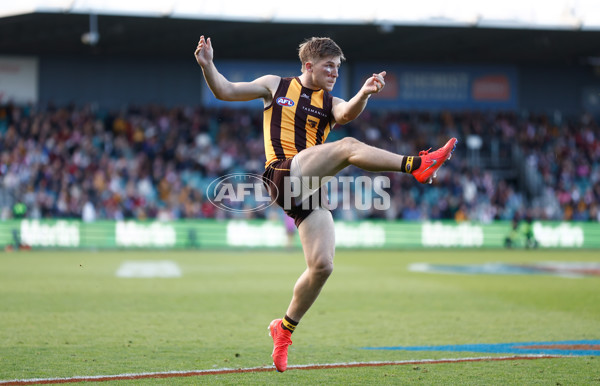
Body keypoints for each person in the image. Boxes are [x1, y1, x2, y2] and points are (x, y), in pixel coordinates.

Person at [194, 35, 457, 372]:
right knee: (347, 147)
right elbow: (225, 91)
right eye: (328, 66)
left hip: (309, 188)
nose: (334, 72)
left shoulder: (330, 101)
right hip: (282, 174)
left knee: (322, 266)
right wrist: (207, 65)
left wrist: (363, 93)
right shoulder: (275, 86)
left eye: (337, 66)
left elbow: (346, 113)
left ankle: (284, 329)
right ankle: (417, 165)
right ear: (309, 66)